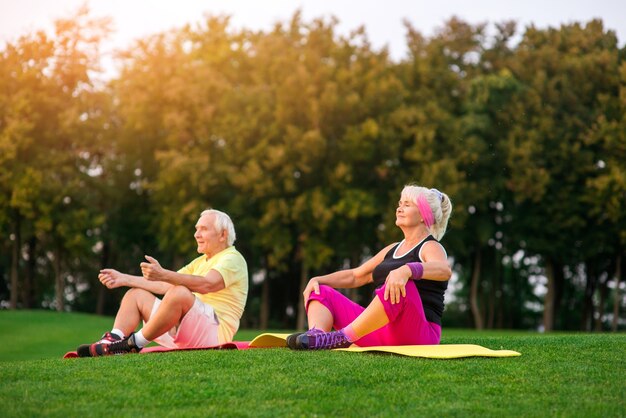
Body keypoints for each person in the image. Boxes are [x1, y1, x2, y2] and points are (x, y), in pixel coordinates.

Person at [287, 185, 452, 350]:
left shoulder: (430, 246)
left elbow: (444, 270)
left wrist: (407, 270)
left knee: (402, 285)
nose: (399, 209)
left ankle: (343, 337)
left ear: (424, 215)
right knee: (321, 291)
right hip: (381, 331)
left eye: (407, 205)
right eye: (400, 204)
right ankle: (317, 338)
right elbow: (356, 276)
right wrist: (317, 279)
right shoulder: (393, 248)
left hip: (419, 335)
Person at [77, 209, 248, 357]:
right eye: (196, 229)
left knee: (179, 292)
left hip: (214, 336)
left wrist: (164, 274)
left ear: (223, 235)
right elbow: (165, 286)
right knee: (136, 295)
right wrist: (124, 279)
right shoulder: (200, 262)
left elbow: (207, 285)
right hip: (186, 332)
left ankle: (133, 344)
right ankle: (113, 341)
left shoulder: (232, 258)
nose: (196, 234)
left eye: (203, 229)